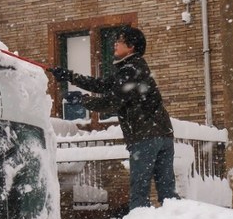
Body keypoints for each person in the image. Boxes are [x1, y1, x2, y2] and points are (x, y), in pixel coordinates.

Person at [49, 26, 179, 209]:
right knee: (167, 192)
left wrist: (83, 100)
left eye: (119, 41)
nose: (115, 44)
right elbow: (102, 85)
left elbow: (111, 102)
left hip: (145, 137)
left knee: (139, 193)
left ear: (131, 46)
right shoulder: (133, 68)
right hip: (163, 134)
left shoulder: (130, 70)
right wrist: (70, 76)